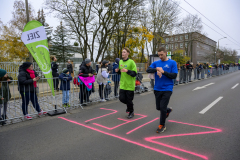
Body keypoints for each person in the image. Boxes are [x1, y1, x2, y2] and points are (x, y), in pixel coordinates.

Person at [146, 47, 178, 133]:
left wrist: (163, 72)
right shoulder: (156, 63)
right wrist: (156, 69)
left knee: (162, 107)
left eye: (161, 54)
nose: (160, 56)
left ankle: (162, 125)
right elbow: (148, 69)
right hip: (157, 88)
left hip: (167, 88)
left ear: (166, 53)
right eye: (159, 55)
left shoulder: (172, 63)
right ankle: (167, 110)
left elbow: (174, 75)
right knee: (158, 107)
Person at [115, 47, 137, 119]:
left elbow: (134, 73)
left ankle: (131, 111)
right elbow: (121, 72)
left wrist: (127, 71)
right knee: (121, 98)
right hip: (123, 84)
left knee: (129, 99)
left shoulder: (131, 62)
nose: (123, 53)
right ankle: (130, 106)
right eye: (122, 52)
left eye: (124, 52)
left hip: (130, 84)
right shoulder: (120, 62)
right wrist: (117, 71)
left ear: (128, 53)